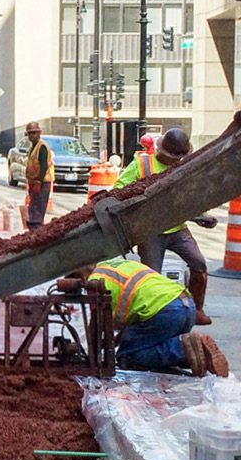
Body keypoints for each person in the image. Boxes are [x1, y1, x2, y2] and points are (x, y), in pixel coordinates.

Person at [114, 129, 217, 325]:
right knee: (150, 276)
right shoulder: (143, 164)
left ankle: (197, 310)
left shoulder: (184, 167)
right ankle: (149, 316)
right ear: (161, 150)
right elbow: (119, 190)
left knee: (199, 264)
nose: (175, 161)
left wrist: (202, 217)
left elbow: (189, 199)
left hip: (176, 229)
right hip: (150, 231)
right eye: (173, 157)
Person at [77, 258, 228, 377]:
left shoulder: (94, 281)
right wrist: (116, 341)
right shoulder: (114, 265)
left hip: (164, 312)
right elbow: (135, 322)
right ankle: (194, 353)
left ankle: (181, 348)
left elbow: (96, 321)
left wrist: (92, 354)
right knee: (153, 347)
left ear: (81, 275)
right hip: (185, 306)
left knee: (128, 357)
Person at [23, 121, 53, 230]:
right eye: (29, 133)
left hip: (41, 182)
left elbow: (43, 166)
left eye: (34, 133)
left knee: (38, 207)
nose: (31, 136)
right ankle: (34, 226)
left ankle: (36, 228)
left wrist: (38, 182)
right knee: (34, 205)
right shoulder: (33, 147)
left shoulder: (42, 147)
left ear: (39, 133)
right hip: (34, 181)